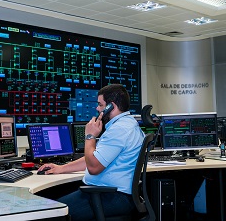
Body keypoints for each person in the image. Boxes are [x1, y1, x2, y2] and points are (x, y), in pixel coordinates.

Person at [37, 84, 145, 221]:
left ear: (111, 106)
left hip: (108, 197)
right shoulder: (127, 124)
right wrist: (61, 168)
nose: (97, 108)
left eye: (100, 105)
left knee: (48, 214)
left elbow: (94, 167)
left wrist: (90, 136)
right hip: (113, 194)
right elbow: (96, 158)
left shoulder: (119, 130)